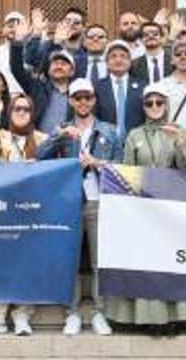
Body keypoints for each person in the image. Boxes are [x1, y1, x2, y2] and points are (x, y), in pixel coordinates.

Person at [106, 84, 186, 335]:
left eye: (159, 102)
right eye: (150, 103)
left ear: (166, 105)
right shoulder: (134, 134)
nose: (155, 107)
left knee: (171, 261)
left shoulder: (177, 130)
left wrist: (179, 142)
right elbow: (127, 171)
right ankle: (151, 319)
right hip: (144, 208)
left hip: (172, 206)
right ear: (144, 107)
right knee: (148, 262)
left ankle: (174, 318)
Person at [37, 78, 122, 336]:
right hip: (69, 202)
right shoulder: (62, 128)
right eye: (78, 98)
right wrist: (59, 135)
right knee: (70, 261)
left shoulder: (109, 130)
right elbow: (41, 156)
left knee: (98, 262)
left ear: (94, 100)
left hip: (98, 200)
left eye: (87, 97)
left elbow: (120, 166)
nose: (83, 102)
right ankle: (71, 313)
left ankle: (99, 312)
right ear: (71, 101)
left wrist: (96, 163)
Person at [0, 95, 48, 337]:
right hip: (2, 209)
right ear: (10, 112)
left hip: (32, 210)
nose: (21, 112)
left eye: (26, 109)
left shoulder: (42, 139)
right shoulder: (0, 136)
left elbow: (53, 173)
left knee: (28, 264)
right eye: (16, 108)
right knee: (1, 264)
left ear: (32, 113)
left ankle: (22, 315)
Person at [94, 40, 145, 137]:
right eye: (113, 56)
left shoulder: (142, 86)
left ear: (130, 62)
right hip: (106, 143)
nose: (118, 60)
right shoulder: (97, 87)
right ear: (107, 62)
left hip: (136, 141)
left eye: (123, 56)